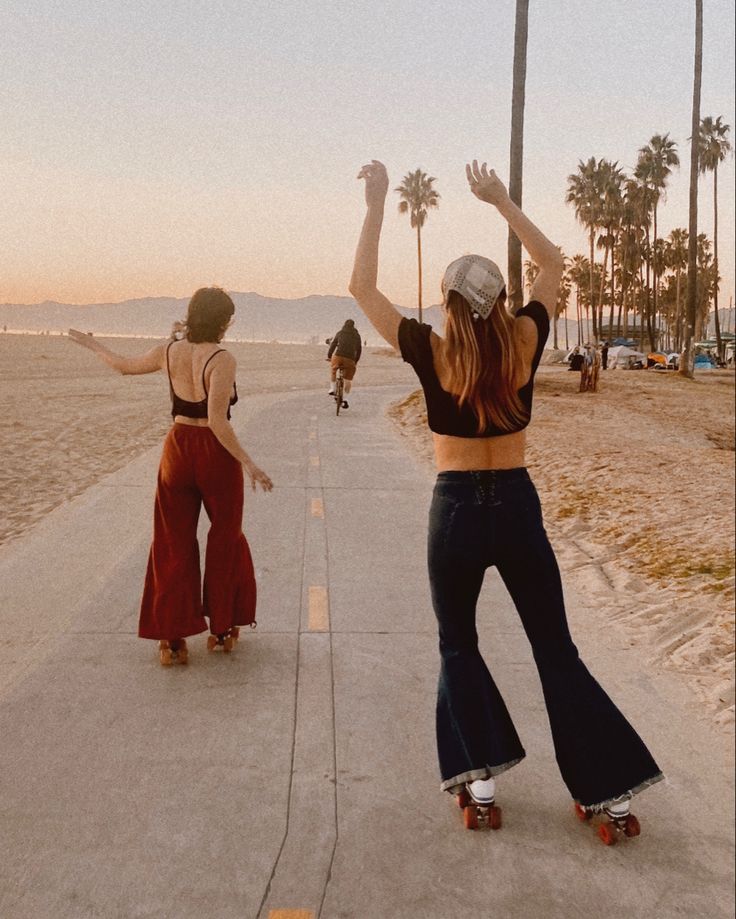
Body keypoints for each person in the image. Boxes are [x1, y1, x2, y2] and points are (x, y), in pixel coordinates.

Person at [349, 159, 662, 827]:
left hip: (455, 508)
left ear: (450, 301)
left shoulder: (432, 350)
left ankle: (482, 787)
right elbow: (554, 263)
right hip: (517, 505)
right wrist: (501, 201)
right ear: (496, 300)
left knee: (459, 642)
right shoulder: (524, 337)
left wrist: (377, 203)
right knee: (556, 647)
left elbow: (360, 285)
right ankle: (611, 789)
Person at [68, 287, 273, 666]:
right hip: (215, 452)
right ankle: (222, 628)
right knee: (225, 536)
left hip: (177, 448)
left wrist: (94, 346)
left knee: (172, 541)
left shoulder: (168, 351)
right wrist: (249, 462)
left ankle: (172, 637)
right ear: (224, 321)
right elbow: (216, 420)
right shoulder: (222, 359)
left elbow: (123, 366)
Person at [327, 318, 362, 408]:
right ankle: (345, 398)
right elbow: (359, 350)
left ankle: (332, 389)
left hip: (338, 356)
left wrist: (329, 355)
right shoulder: (357, 336)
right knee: (348, 379)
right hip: (350, 359)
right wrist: (355, 361)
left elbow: (333, 344)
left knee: (333, 370)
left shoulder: (340, 333)